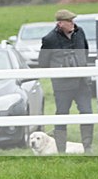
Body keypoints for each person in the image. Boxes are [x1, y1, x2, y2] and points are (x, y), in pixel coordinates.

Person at [39, 9, 94, 154]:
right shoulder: (49, 39)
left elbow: (85, 52)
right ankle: (61, 150)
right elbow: (43, 62)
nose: (72, 23)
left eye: (72, 20)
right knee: (62, 114)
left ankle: (87, 148)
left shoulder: (79, 32)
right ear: (60, 23)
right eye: (69, 21)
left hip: (82, 83)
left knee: (87, 112)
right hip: (62, 85)